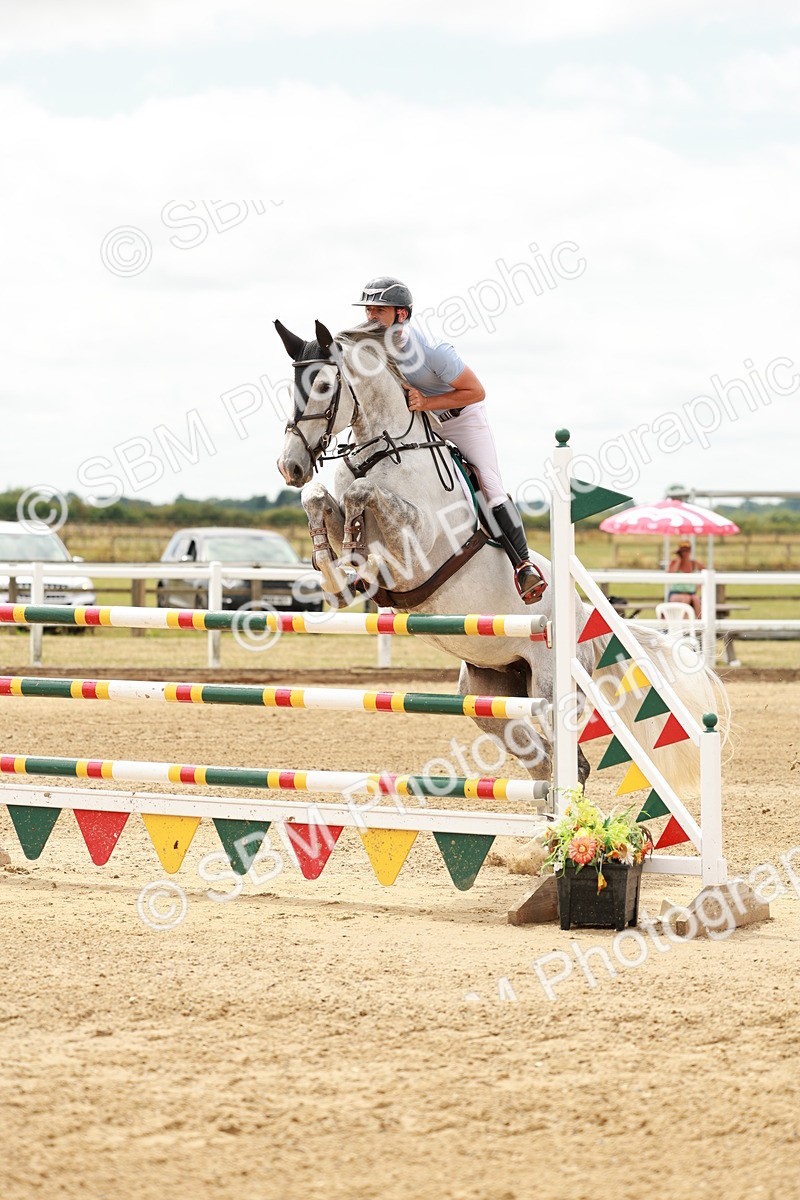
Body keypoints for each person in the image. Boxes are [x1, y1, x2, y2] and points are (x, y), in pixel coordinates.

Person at [352, 276, 546, 604]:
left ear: (401, 314)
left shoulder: (432, 350)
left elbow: (476, 391)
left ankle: (523, 566)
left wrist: (427, 402)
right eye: (368, 309)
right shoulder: (372, 348)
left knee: (490, 485)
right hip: (421, 424)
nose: (370, 316)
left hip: (462, 419)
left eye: (379, 310)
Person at [667, 540, 704, 617]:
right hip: (676, 593)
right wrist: (678, 560)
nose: (685, 553)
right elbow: (670, 574)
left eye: (687, 551)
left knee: (696, 599)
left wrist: (697, 586)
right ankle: (684, 623)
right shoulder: (674, 563)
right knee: (686, 598)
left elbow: (706, 572)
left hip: (691, 593)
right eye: (683, 551)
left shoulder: (693, 563)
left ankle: (699, 622)